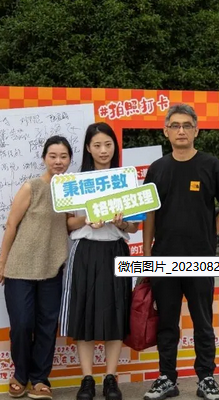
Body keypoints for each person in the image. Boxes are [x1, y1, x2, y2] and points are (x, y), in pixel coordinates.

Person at [142, 104, 219, 400]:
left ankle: (206, 378)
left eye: (187, 125)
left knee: (202, 320)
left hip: (200, 258)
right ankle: (166, 378)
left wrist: (209, 235)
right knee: (167, 322)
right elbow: (149, 213)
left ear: (196, 131)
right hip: (163, 258)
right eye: (175, 125)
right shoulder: (157, 168)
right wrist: (147, 253)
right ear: (166, 131)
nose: (181, 130)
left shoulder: (211, 165)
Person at [60, 122, 139, 400]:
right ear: (88, 148)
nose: (103, 150)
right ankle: (87, 379)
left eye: (108, 144)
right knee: (84, 314)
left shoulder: (126, 180)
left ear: (115, 147)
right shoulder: (75, 182)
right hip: (84, 252)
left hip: (116, 251)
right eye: (97, 145)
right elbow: (68, 224)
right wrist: (86, 219)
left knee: (116, 312)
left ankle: (110, 378)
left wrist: (122, 223)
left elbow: (134, 227)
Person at [0, 135, 72, 399]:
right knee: (22, 324)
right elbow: (11, 225)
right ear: (44, 158)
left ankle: (40, 379)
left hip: (51, 267)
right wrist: (2, 262)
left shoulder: (70, 190)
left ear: (70, 160)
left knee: (47, 326)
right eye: (53, 156)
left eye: (63, 156)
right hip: (19, 268)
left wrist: (96, 216)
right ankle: (20, 374)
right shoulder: (32, 187)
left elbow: (69, 224)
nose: (58, 161)